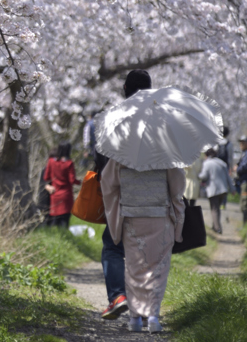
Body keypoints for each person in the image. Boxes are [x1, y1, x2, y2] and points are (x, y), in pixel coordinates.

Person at [100, 69, 185, 334]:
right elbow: (177, 179)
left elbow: (108, 179)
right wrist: (178, 210)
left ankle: (135, 318)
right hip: (159, 210)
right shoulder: (165, 128)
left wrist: (115, 205)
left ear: (125, 88)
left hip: (131, 210)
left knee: (135, 266)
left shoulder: (117, 125)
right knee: (157, 266)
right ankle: (154, 319)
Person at [96, 69, 152, 321]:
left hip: (120, 191)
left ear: (125, 89)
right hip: (153, 193)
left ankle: (118, 296)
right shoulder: (160, 119)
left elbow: (101, 156)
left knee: (113, 245)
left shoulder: (112, 117)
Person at [44, 142, 80, 228]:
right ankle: (64, 237)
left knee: (54, 220)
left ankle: (53, 237)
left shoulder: (51, 161)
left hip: (55, 195)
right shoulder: (69, 163)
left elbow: (46, 177)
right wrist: (80, 182)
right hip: (66, 195)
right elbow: (72, 180)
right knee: (64, 221)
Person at [198, 146, 231, 234]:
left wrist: (197, 176)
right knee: (217, 208)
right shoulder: (222, 163)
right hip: (223, 190)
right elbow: (228, 177)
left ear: (207, 155)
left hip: (213, 190)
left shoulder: (207, 163)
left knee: (214, 209)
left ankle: (217, 228)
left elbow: (204, 176)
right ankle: (215, 225)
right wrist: (232, 188)